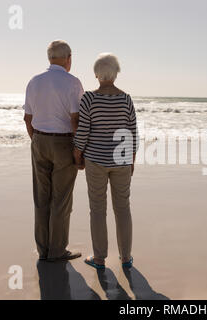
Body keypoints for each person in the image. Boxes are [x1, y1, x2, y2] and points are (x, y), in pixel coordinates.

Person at [73, 53, 139, 269]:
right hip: (121, 161)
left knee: (98, 209)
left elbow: (83, 131)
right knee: (123, 208)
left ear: (96, 74)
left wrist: (77, 155)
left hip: (96, 160)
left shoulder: (89, 99)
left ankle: (100, 258)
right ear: (116, 74)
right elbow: (132, 133)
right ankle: (126, 257)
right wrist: (131, 161)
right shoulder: (126, 98)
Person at [23, 40, 83, 262]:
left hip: (39, 140)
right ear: (69, 58)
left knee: (41, 198)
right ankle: (57, 250)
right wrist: (79, 150)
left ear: (49, 58)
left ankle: (43, 250)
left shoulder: (34, 81)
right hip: (64, 142)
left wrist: (37, 140)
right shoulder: (73, 82)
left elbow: (27, 118)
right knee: (61, 199)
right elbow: (76, 120)